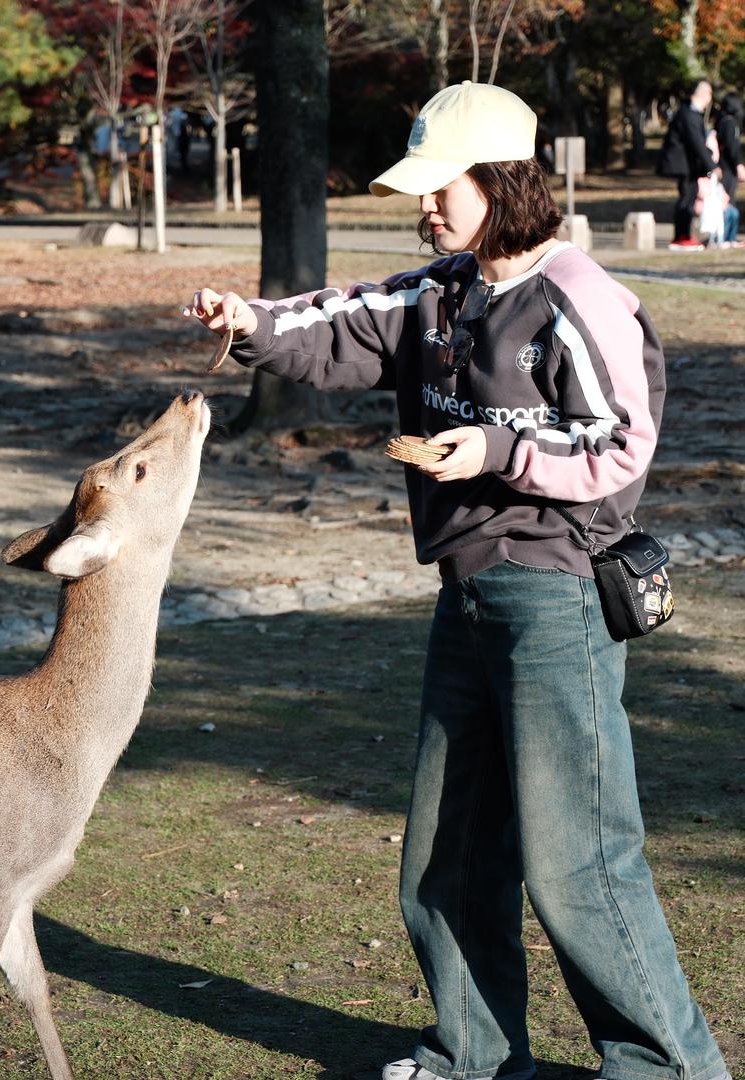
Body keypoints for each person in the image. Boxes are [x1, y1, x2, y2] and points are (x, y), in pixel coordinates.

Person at [184, 81, 730, 1080]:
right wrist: (247, 320)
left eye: (444, 185)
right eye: (423, 188)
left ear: (504, 181)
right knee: (447, 858)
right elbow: (341, 325)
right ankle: (473, 1054)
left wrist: (492, 452)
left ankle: (670, 1069)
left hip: (558, 603)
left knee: (580, 866)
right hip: (467, 600)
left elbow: (621, 448)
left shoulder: (582, 297)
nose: (426, 204)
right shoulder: (437, 288)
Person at [657, 79, 719, 250]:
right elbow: (696, 142)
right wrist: (711, 165)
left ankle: (684, 235)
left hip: (688, 164)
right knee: (686, 199)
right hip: (682, 163)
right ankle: (681, 237)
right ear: (704, 95)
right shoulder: (689, 114)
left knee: (689, 198)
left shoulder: (690, 112)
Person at [714, 92, 744, 247]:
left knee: (726, 200)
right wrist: (739, 164)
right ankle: (726, 236)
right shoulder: (730, 123)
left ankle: (728, 236)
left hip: (723, 167)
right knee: (728, 200)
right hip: (728, 168)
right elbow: (733, 147)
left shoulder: (721, 121)